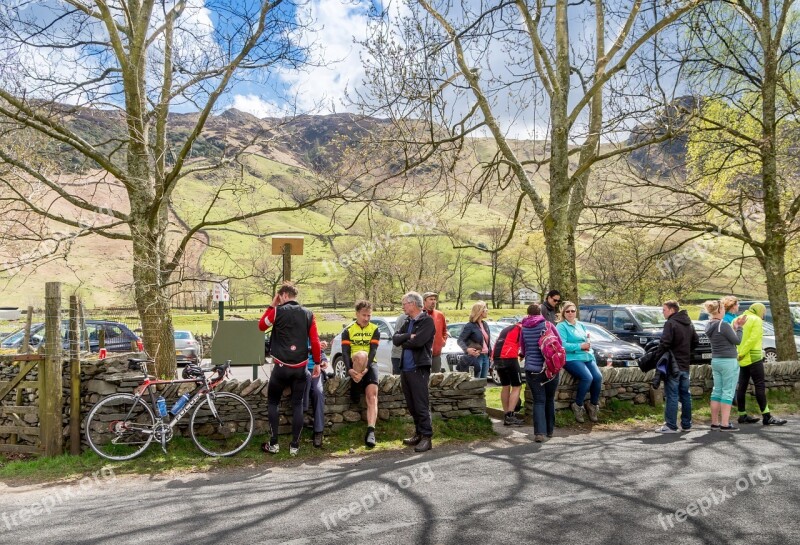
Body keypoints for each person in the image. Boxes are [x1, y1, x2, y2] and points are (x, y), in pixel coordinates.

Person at [258, 282, 322, 456]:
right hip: (300, 368)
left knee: (273, 402)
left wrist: (272, 305)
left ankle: (274, 444)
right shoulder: (308, 314)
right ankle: (294, 446)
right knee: (297, 404)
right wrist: (316, 362)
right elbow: (315, 341)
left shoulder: (277, 311)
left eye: (279, 297)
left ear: (283, 296)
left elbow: (261, 326)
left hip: (280, 366)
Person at [392, 291, 436, 453]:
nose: (403, 306)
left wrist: (405, 340)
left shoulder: (427, 321)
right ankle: (418, 433)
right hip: (406, 368)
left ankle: (426, 437)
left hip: (419, 368)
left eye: (404, 303)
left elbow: (417, 343)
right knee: (411, 404)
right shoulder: (407, 321)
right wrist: (408, 336)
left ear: (412, 304)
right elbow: (395, 339)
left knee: (421, 403)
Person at [736, 302, 788, 426]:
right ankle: (767, 416)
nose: (764, 315)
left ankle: (742, 415)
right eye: (763, 312)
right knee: (759, 385)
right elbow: (753, 338)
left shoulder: (738, 319)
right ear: (759, 310)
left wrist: (740, 353)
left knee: (742, 387)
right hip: (753, 357)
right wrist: (743, 352)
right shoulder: (756, 320)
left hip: (741, 358)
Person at [654, 300, 698, 433]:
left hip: (673, 365)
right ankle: (686, 424)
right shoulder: (688, 323)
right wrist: (686, 351)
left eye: (664, 310)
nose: (663, 313)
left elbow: (665, 343)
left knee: (672, 395)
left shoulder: (670, 323)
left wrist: (658, 356)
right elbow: (695, 341)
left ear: (672, 310)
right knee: (685, 394)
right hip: (685, 364)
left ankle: (671, 425)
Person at [342, 300, 381, 448]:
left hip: (370, 363)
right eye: (364, 315)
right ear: (357, 314)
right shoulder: (348, 330)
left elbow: (373, 351)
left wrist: (366, 369)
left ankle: (371, 431)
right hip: (355, 362)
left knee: (372, 395)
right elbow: (345, 353)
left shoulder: (375, 329)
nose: (366, 318)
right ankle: (356, 386)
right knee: (360, 355)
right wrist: (349, 369)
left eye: (369, 315)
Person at [520, 303, 561, 442]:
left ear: (528, 314)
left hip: (532, 370)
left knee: (538, 401)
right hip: (550, 368)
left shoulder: (524, 328)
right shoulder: (548, 325)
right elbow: (559, 344)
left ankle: (539, 433)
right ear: (540, 313)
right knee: (549, 399)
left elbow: (524, 350)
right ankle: (550, 430)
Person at [556, 301, 602, 423]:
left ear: (576, 312)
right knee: (587, 377)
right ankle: (578, 405)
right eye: (568, 311)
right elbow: (562, 345)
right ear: (563, 313)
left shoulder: (581, 325)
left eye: (573, 311)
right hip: (571, 358)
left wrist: (589, 350)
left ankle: (593, 405)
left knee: (597, 377)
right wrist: (580, 346)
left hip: (587, 356)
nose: (570, 313)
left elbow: (587, 342)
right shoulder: (561, 326)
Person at [703, 300, 745, 431]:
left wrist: (734, 328)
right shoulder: (723, 324)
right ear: (720, 310)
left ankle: (715, 422)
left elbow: (723, 337)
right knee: (728, 391)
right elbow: (737, 341)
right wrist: (740, 328)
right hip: (728, 361)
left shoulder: (709, 325)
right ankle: (725, 424)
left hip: (716, 360)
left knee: (717, 391)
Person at [492, 321, 524, 426]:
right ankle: (510, 415)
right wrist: (522, 354)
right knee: (517, 386)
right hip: (509, 358)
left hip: (497, 358)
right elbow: (524, 345)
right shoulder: (521, 329)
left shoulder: (508, 328)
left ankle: (506, 415)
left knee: (505, 386)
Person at [457, 301, 492, 379]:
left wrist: (491, 354)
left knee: (483, 382)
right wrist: (467, 350)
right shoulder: (470, 326)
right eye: (485, 309)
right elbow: (460, 340)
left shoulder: (485, 324)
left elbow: (487, 342)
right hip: (476, 357)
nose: (487, 310)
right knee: (475, 381)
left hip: (486, 357)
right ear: (479, 311)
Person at [303, 340, 328, 448]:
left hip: (316, 371)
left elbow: (321, 352)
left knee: (318, 392)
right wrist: (312, 348)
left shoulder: (312, 334)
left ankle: (318, 431)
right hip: (300, 371)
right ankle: (298, 429)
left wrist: (324, 360)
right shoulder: (295, 333)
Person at [423, 292, 448, 373]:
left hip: (436, 353)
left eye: (434, 299)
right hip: (423, 354)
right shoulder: (420, 314)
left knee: (436, 378)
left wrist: (443, 340)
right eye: (430, 299)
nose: (433, 301)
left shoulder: (440, 314)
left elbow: (444, 330)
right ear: (424, 301)